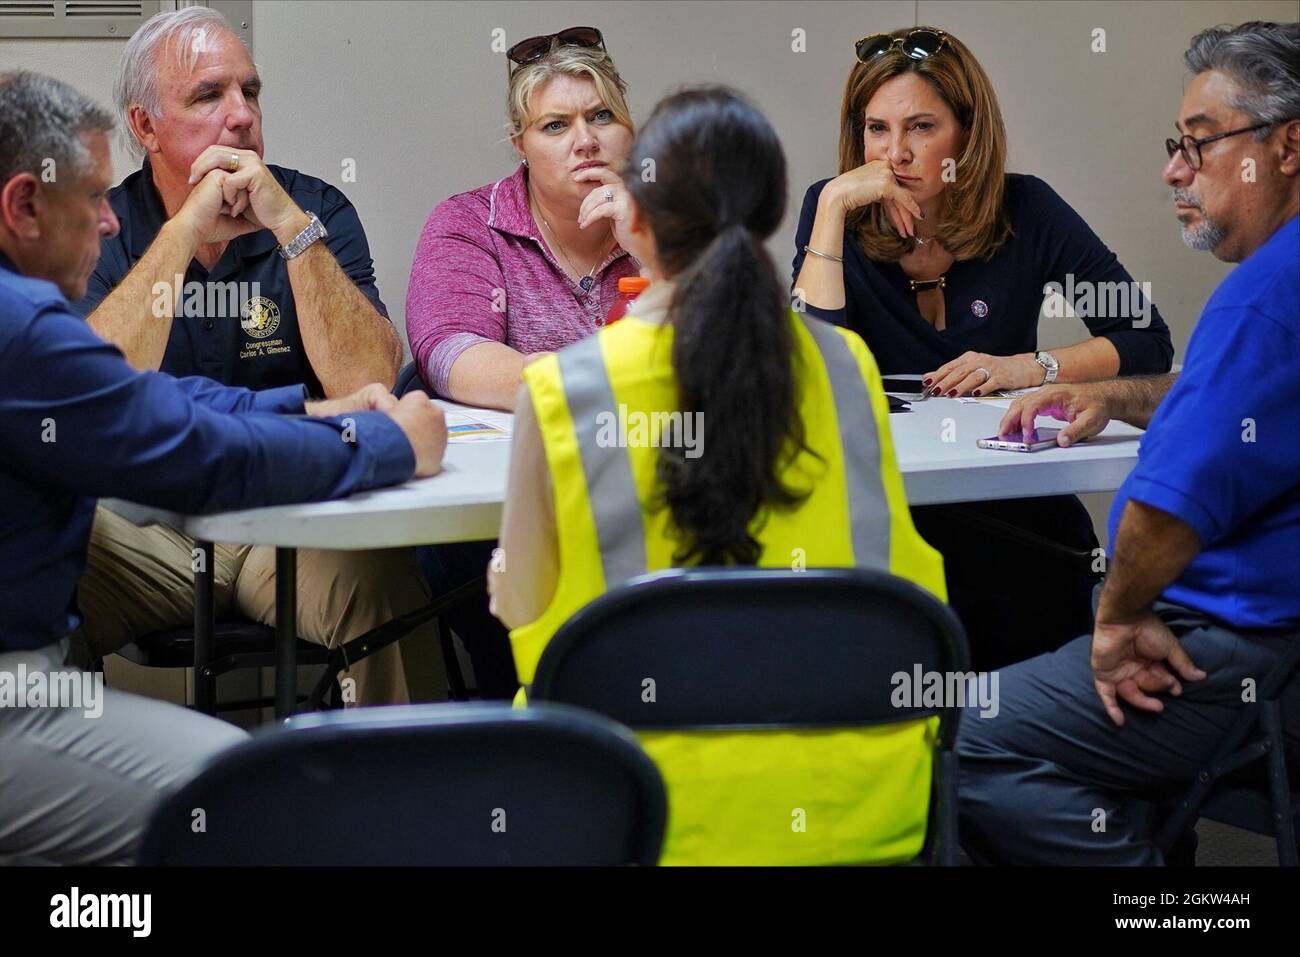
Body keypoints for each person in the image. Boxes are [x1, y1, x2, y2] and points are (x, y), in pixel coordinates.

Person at [488, 85, 947, 865]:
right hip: (863, 813)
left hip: (633, 815)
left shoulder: (566, 389)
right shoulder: (848, 369)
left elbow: (522, 605)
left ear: (633, 213)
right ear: (768, 213)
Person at [0, 71, 445, 864]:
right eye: (89, 200)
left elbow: (147, 403)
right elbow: (182, 446)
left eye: (250, 90)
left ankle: (415, 816)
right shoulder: (22, 326)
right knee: (251, 806)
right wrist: (388, 445)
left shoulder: (19, 314)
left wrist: (312, 414)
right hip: (20, 692)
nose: (105, 221)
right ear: (24, 206)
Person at [957, 20, 1300, 866]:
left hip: (1219, 648)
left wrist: (1117, 620)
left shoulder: (1261, 298)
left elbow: (1159, 513)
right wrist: (1106, 394)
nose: (1173, 170)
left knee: (953, 738)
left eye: (1200, 144)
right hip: (1275, 642)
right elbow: (1225, 408)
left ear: (1287, 146)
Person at [69, 7, 439, 705]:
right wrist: (185, 229)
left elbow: (369, 381)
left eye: (250, 92)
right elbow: (99, 394)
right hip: (149, 526)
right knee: (50, 561)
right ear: (145, 126)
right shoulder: (103, 228)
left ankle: (411, 800)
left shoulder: (313, 209)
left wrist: (291, 229)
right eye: (209, 96)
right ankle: (71, 780)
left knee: (383, 583)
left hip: (294, 513)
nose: (240, 116)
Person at [792, 26, 1176, 669]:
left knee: (1020, 696)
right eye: (876, 129)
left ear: (967, 133)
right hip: (883, 525)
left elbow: (1146, 339)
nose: (895, 154)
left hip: (1020, 529)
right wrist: (831, 207)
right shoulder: (835, 215)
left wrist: (1027, 367)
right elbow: (805, 368)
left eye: (920, 127)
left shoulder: (1026, 207)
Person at [406, 27, 640, 696]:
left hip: (651, 490)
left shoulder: (670, 223)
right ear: (521, 144)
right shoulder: (467, 222)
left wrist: (650, 247)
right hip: (502, 510)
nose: (585, 140)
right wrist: (609, 384)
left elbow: (733, 351)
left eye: (602, 117)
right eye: (555, 125)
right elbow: (450, 354)